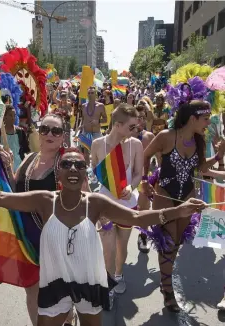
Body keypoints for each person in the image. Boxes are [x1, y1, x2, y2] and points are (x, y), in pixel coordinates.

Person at [0, 148, 206, 326]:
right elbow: (2, 198)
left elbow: (136, 218)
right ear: (58, 173)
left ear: (85, 173)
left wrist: (178, 210)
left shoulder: (95, 203)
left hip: (88, 283)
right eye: (67, 164)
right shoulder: (43, 201)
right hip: (54, 283)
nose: (73, 168)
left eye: (79, 165)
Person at [142, 100, 225, 312]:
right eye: (205, 119)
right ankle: (167, 289)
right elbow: (146, 154)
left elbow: (200, 168)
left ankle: (165, 279)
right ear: (192, 119)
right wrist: (144, 180)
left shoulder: (199, 140)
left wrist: (218, 156)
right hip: (165, 195)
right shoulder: (167, 136)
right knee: (168, 243)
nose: (208, 123)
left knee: (176, 243)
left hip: (187, 196)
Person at [1, 113, 79, 326]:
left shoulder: (67, 165)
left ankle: (68, 319)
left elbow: (85, 201)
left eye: (56, 131)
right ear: (38, 132)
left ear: (63, 137)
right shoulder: (28, 158)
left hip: (57, 241)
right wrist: (8, 167)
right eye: (45, 129)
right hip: (27, 240)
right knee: (32, 290)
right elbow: (14, 190)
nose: (50, 134)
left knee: (59, 292)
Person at [91, 104, 143, 303]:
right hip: (104, 207)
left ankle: (119, 273)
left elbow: (139, 173)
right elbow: (95, 174)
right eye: (131, 127)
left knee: (122, 246)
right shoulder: (98, 145)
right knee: (108, 248)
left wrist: (131, 186)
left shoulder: (135, 144)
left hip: (128, 206)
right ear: (118, 125)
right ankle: (109, 284)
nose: (135, 130)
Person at [134, 103, 155, 254]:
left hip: (143, 178)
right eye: (137, 118)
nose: (140, 121)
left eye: (142, 118)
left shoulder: (149, 137)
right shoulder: (123, 135)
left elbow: (160, 160)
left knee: (143, 209)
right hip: (125, 180)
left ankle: (143, 235)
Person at [0, 105, 30, 172]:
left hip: (19, 168)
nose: (13, 118)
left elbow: (26, 150)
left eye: (14, 115)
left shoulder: (20, 132)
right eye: (10, 115)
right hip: (4, 169)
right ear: (4, 117)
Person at [80, 87, 107, 163]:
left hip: (96, 133)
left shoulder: (100, 106)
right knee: (85, 154)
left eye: (92, 93)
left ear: (95, 94)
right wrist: (80, 126)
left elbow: (106, 120)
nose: (90, 94)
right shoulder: (83, 106)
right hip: (86, 132)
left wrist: (98, 121)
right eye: (89, 93)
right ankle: (88, 171)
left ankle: (97, 171)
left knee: (98, 154)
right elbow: (83, 119)